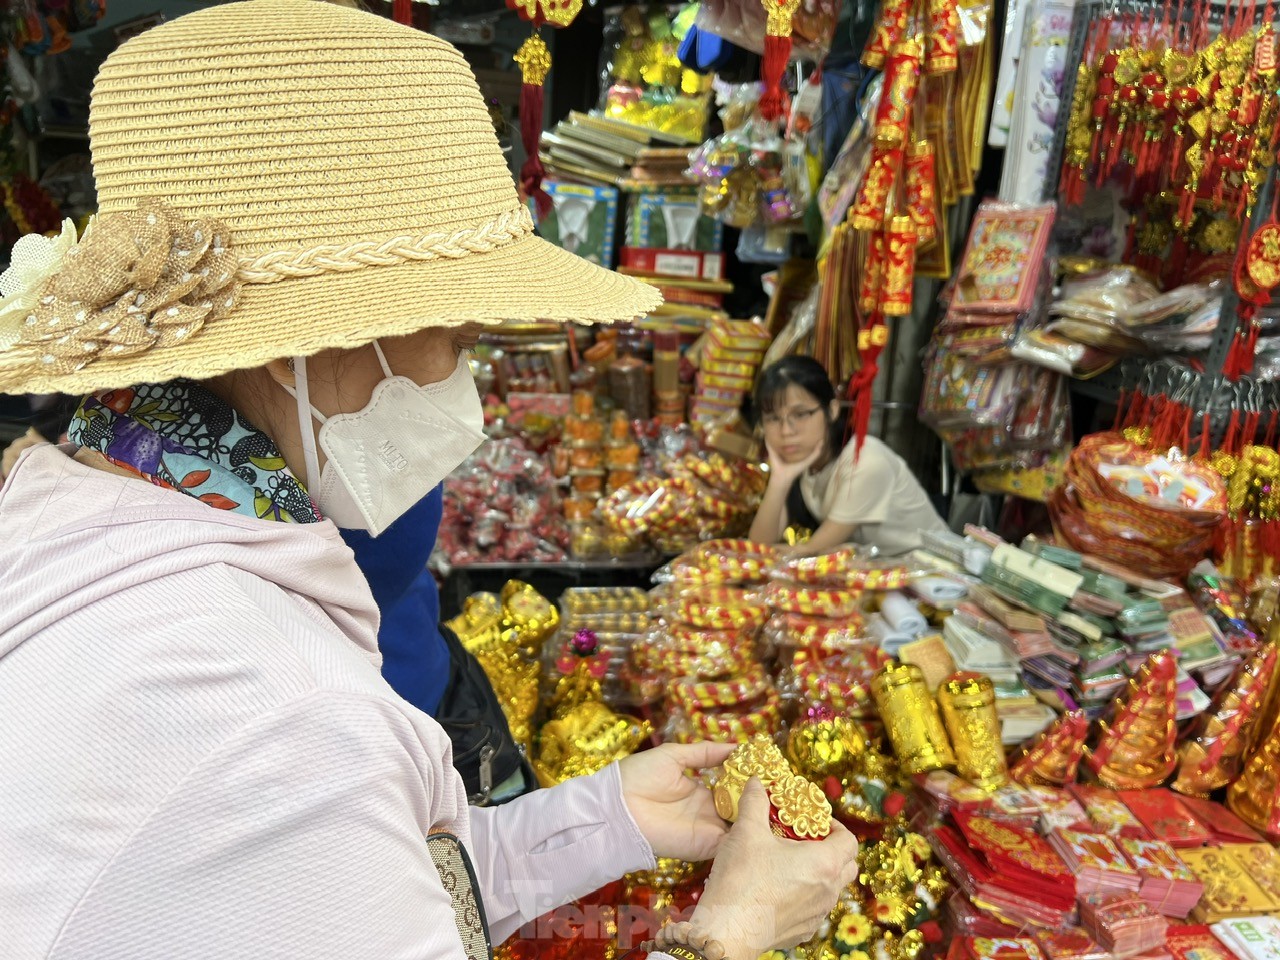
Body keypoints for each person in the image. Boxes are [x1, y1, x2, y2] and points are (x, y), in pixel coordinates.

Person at [0, 5, 858, 960]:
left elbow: (350, 888)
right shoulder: (272, 718)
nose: (468, 370)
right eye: (456, 335)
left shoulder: (88, 511)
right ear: (316, 342)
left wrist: (608, 817)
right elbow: (307, 819)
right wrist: (740, 929)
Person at [748, 355, 949, 556]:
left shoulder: (864, 460)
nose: (786, 431)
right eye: (773, 418)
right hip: (880, 573)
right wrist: (779, 480)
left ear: (832, 410)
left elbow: (810, 552)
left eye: (800, 414)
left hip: (935, 574)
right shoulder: (802, 462)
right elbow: (757, 549)